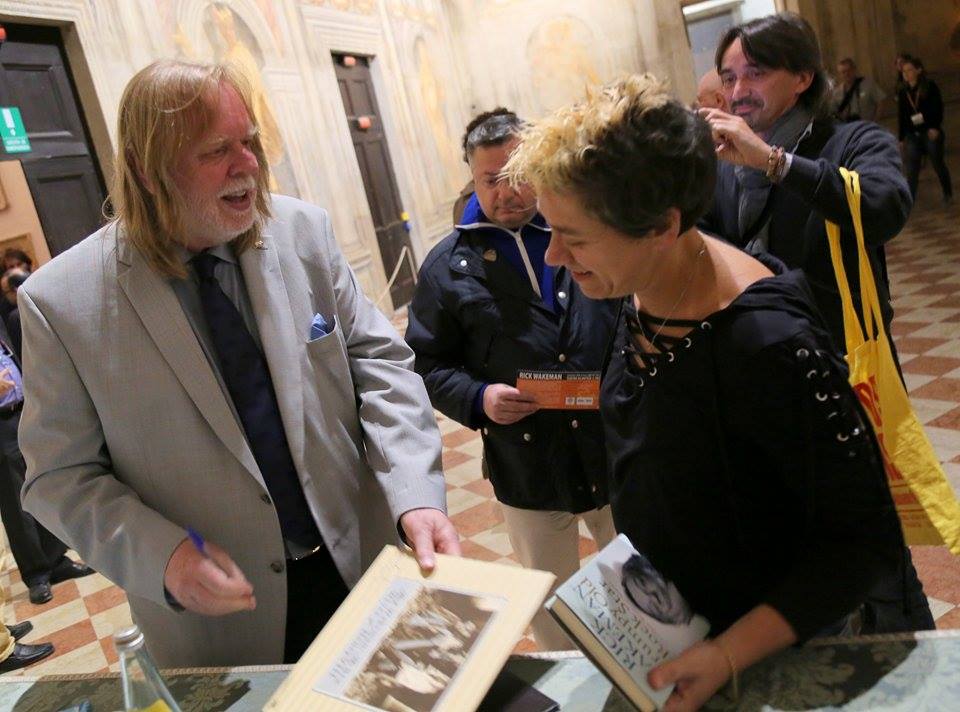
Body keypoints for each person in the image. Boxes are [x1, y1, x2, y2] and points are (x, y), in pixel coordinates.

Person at [505, 72, 931, 712]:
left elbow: (861, 542)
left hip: (767, 664)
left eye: (576, 237)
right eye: (550, 230)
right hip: (680, 633)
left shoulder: (767, 343)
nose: (554, 258)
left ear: (662, 225)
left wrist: (728, 654)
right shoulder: (638, 287)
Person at [17, 59, 459, 668]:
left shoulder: (303, 231)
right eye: (216, 150)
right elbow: (58, 478)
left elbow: (379, 361)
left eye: (249, 141)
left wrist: (415, 491)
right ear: (147, 171)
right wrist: (164, 557)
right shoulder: (61, 302)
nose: (247, 163)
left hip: (365, 568)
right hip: (220, 621)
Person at [406, 109, 618, 650]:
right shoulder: (446, 266)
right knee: (548, 604)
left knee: (640, 589)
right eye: (490, 179)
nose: (506, 191)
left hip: (612, 445)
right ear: (472, 180)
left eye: (518, 174)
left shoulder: (589, 231)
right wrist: (478, 397)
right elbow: (426, 363)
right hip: (527, 459)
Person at [697, 13, 911, 360]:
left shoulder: (855, 140)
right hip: (758, 356)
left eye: (756, 73)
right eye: (729, 78)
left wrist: (775, 163)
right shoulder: (722, 164)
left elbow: (884, 211)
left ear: (802, 77)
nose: (738, 92)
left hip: (842, 358)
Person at [0, 310, 93, 606]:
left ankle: (56, 560)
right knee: (15, 502)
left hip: (24, 411)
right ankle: (37, 574)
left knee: (45, 484)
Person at [898, 56, 953, 203]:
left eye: (909, 70)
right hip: (913, 133)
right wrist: (901, 138)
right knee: (912, 167)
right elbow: (902, 115)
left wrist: (935, 127)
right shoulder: (903, 92)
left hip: (929, 131)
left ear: (918, 70)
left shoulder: (929, 87)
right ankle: (909, 199)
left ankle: (947, 193)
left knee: (937, 163)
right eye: (904, 71)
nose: (906, 74)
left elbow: (937, 108)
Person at [831, 58, 885, 122]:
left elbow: (881, 103)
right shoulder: (837, 93)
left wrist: (875, 122)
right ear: (839, 74)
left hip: (868, 124)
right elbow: (833, 112)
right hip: (849, 126)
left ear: (854, 69)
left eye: (849, 70)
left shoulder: (868, 84)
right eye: (843, 72)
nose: (847, 74)